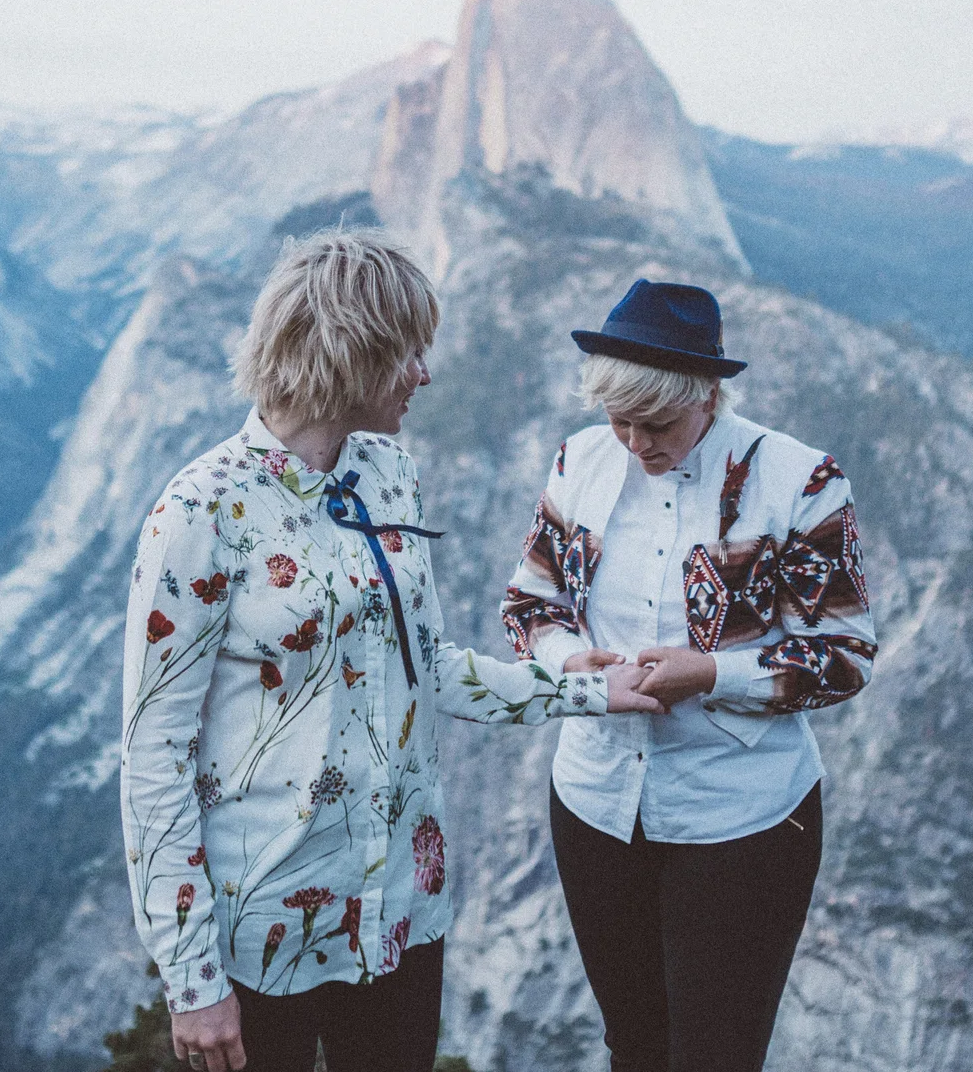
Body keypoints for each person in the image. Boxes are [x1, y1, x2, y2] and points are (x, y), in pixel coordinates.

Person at [121, 231, 662, 1072]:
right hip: (262, 928)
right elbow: (153, 753)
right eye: (409, 351)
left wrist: (581, 687)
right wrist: (191, 980)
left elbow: (428, 662)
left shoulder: (389, 474)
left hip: (398, 911)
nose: (425, 372)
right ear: (349, 354)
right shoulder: (201, 511)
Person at [501, 278, 879, 1072]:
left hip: (742, 820)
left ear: (709, 392)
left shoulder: (799, 483)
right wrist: (570, 660)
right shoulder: (579, 460)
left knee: (717, 1054)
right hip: (596, 804)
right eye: (620, 420)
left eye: (658, 422)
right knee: (632, 1045)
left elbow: (845, 655)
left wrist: (711, 672)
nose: (636, 442)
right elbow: (529, 603)